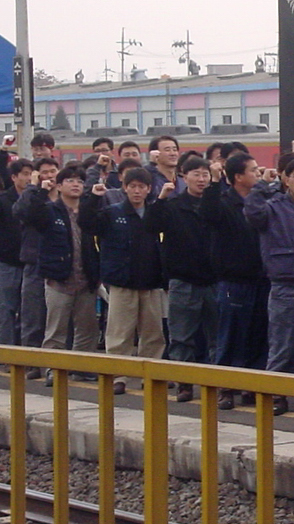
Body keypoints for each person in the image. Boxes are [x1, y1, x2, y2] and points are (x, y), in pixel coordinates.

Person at [245, 158, 294, 416]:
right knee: (282, 346)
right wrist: (262, 186)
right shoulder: (273, 207)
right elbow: (252, 213)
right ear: (285, 179)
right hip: (285, 285)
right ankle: (276, 394)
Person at [81, 167, 164, 395]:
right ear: (124, 188)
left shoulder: (155, 213)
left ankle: (151, 375)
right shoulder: (112, 213)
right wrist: (93, 198)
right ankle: (119, 376)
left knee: (153, 334)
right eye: (132, 186)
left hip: (151, 282)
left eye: (141, 187)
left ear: (149, 189)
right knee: (119, 333)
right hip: (121, 282)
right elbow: (86, 223)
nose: (137, 191)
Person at [202, 153, 270, 410]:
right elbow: (207, 214)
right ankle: (226, 387)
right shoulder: (223, 201)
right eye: (253, 170)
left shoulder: (262, 201)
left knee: (258, 335)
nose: (258, 173)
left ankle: (252, 386)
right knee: (230, 335)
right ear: (238, 177)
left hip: (262, 279)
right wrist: (214, 182)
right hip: (233, 280)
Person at [148, 156, 218, 401]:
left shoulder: (216, 203)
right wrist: (160, 199)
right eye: (196, 174)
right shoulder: (173, 205)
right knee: (181, 337)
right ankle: (184, 384)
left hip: (215, 280)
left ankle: (217, 383)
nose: (201, 179)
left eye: (205, 174)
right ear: (183, 176)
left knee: (217, 337)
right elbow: (150, 226)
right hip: (182, 280)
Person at [26, 166, 100, 383]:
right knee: (56, 329)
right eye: (69, 180)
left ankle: (81, 368)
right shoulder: (51, 210)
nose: (76, 184)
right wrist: (40, 190)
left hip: (86, 279)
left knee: (87, 329)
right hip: (59, 279)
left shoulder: (87, 211)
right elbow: (32, 216)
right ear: (58, 186)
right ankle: (54, 369)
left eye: (79, 181)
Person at [13, 157, 59, 356]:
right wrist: (33, 187)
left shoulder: (64, 198)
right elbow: (20, 211)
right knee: (32, 318)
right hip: (35, 264)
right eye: (44, 173)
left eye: (52, 171)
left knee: (59, 321)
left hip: (60, 265)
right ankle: (31, 362)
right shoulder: (32, 198)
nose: (49, 176)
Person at [0, 159, 33, 346]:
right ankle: (6, 350)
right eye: (25, 174)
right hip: (8, 263)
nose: (29, 178)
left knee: (29, 312)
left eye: (31, 174)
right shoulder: (3, 200)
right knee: (6, 309)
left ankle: (24, 351)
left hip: (31, 264)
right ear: (14, 177)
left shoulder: (37, 199)